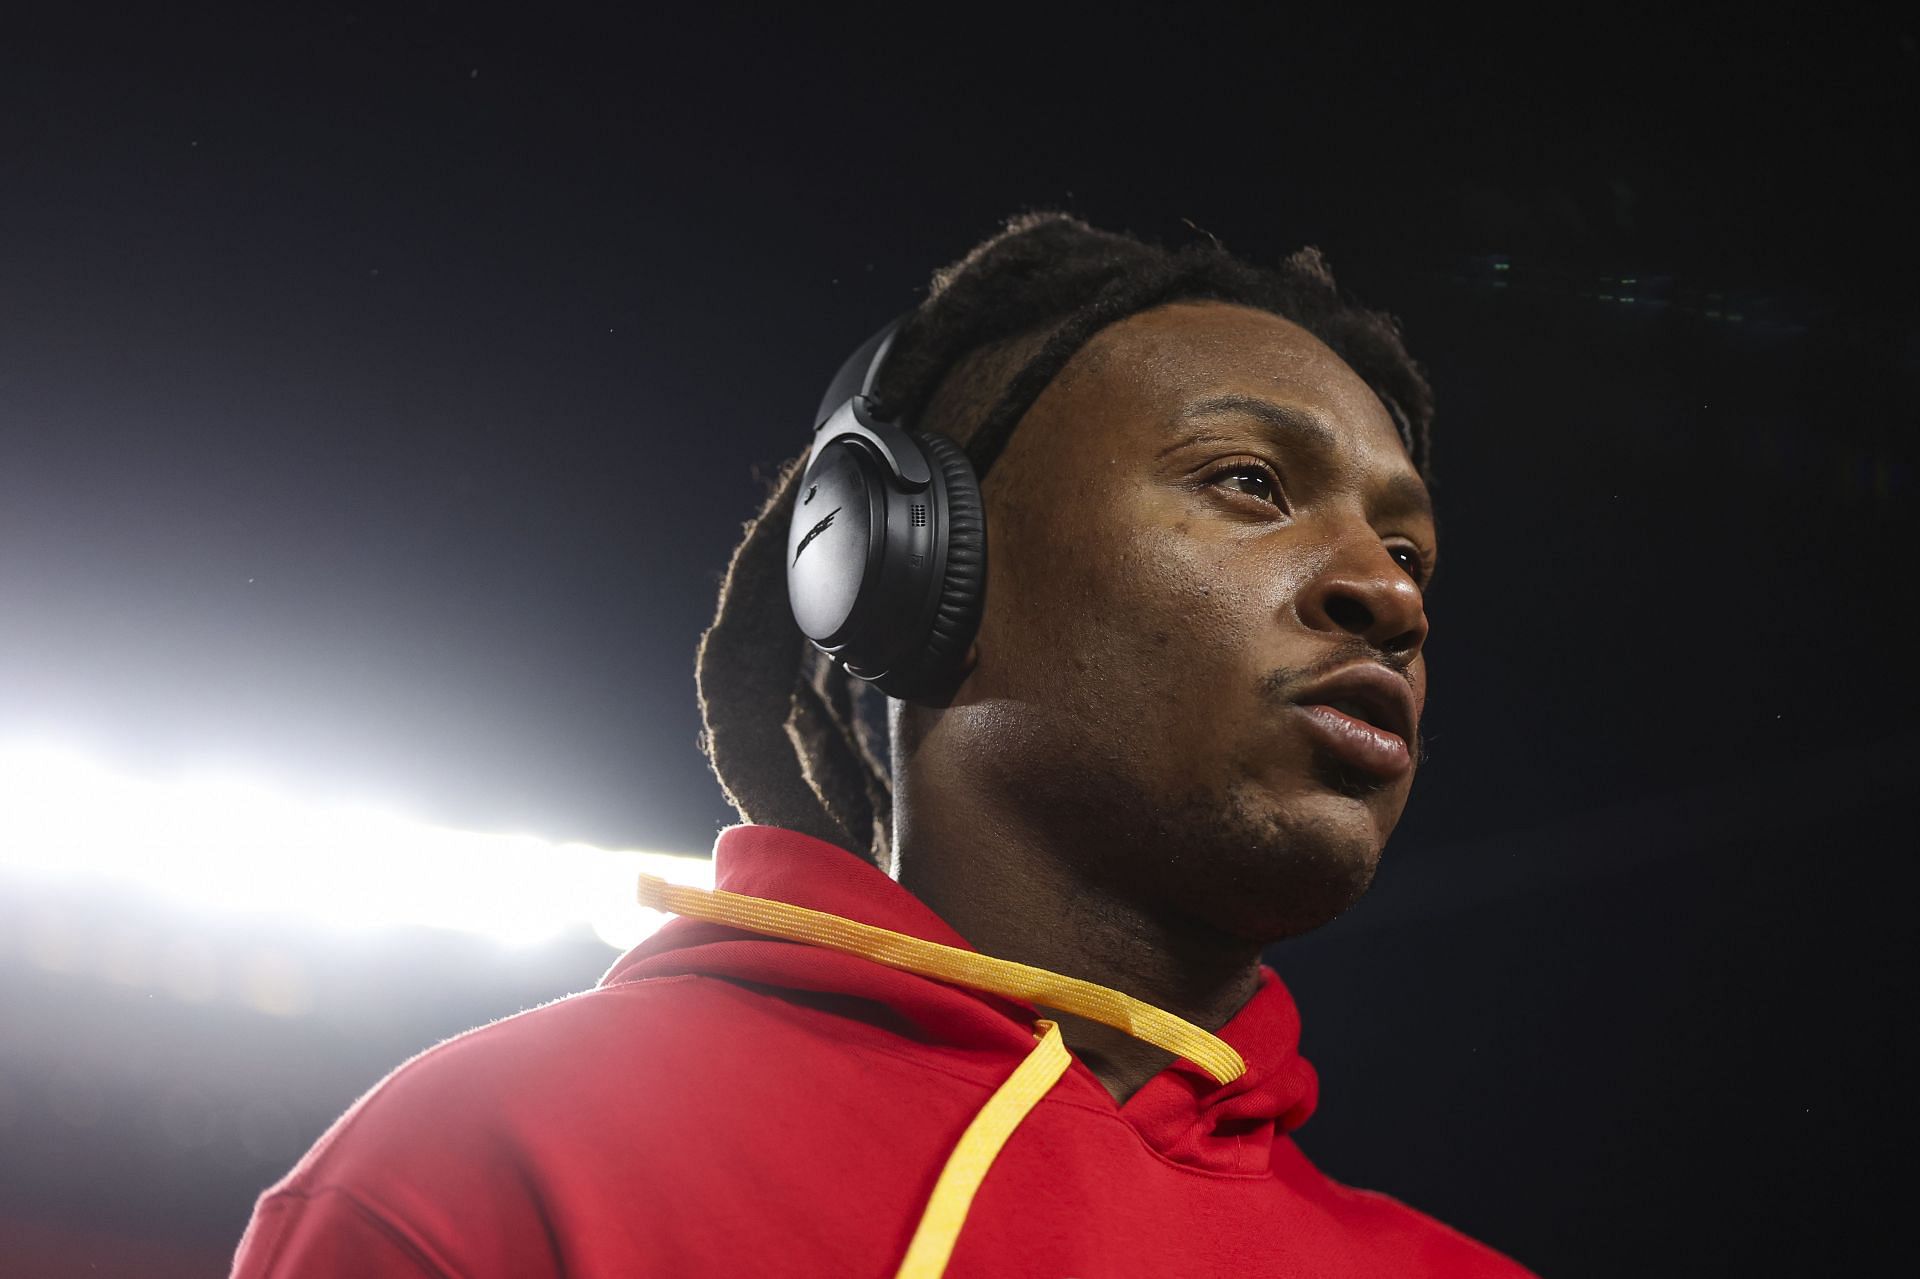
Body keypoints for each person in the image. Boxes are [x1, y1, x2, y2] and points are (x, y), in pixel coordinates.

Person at [230, 213, 1537, 1277]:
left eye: (1411, 550)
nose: (1391, 595)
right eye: (1249, 482)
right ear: (912, 568)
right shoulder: (500, 1163)